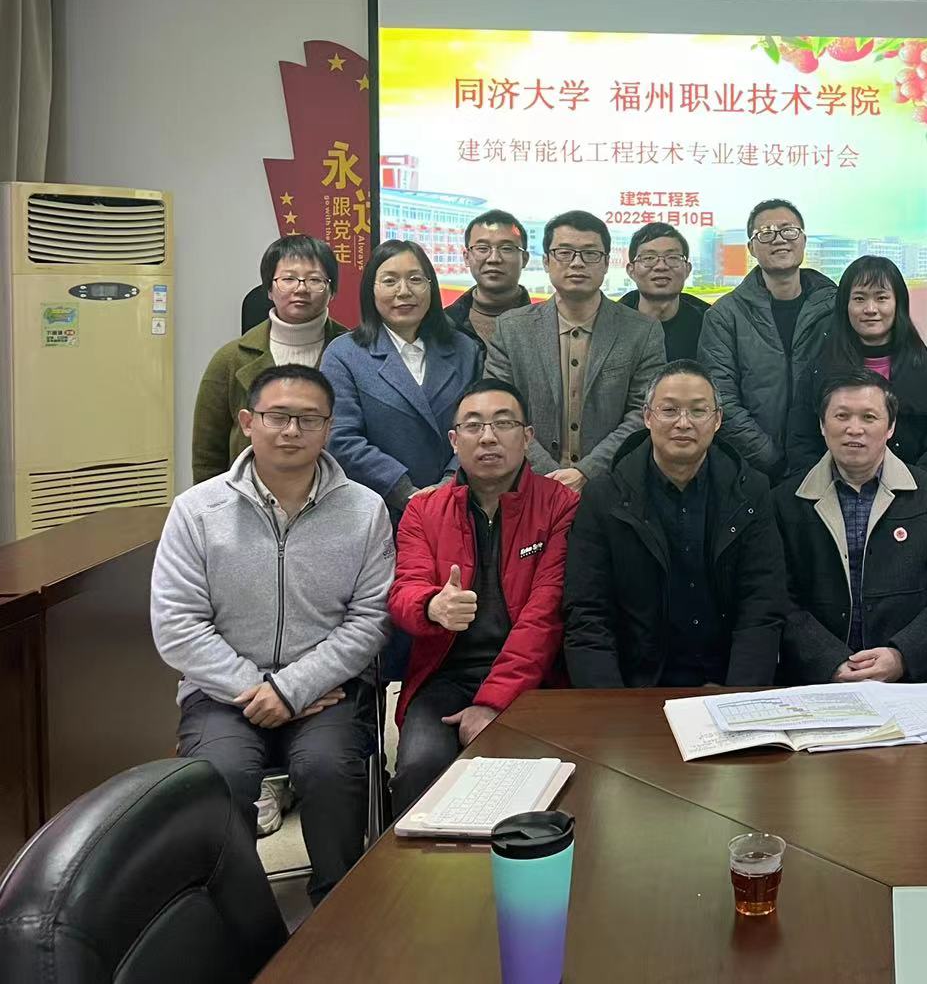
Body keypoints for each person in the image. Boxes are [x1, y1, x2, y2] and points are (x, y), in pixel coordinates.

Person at [151, 364, 392, 904]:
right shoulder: (197, 511)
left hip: (326, 691)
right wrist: (259, 688)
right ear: (247, 422)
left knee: (329, 770)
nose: (291, 431)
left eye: (309, 419)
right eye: (277, 416)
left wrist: (292, 688)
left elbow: (370, 619)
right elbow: (177, 624)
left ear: (329, 428)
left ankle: (338, 908)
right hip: (223, 693)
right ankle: (233, 914)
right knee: (219, 774)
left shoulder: (365, 509)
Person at [386, 380, 577, 815]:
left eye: (503, 423)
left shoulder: (560, 505)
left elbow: (545, 615)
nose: (488, 437)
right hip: (445, 677)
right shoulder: (424, 510)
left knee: (546, 785)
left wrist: (492, 702)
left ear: (527, 437)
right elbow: (403, 591)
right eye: (473, 426)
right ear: (455, 441)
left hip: (536, 682)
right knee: (418, 770)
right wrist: (431, 606)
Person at [561, 360, 787, 688]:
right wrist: (610, 705)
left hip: (725, 681)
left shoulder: (750, 491)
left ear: (717, 420)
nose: (683, 423)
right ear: (647, 417)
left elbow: (762, 605)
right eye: (669, 410)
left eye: (698, 411)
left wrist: (737, 695)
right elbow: (587, 614)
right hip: (635, 686)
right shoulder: (604, 496)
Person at [774, 371, 927, 685]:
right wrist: (829, 661)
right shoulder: (785, 502)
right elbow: (777, 600)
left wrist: (901, 656)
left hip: (912, 683)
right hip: (817, 682)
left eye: (869, 417)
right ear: (822, 425)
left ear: (890, 427)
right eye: (841, 416)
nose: (854, 429)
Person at [485, 210, 666, 491]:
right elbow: (498, 410)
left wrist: (586, 472)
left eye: (590, 254)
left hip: (613, 487)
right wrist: (549, 476)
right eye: (564, 253)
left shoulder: (642, 332)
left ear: (606, 263)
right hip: (526, 486)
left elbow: (643, 413)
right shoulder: (511, 329)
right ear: (546, 261)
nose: (577, 262)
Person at [320, 240, 482, 515]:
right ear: (371, 290)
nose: (404, 291)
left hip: (456, 506)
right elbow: (341, 438)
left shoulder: (465, 350)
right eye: (390, 281)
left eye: (415, 279)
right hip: (376, 510)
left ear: (431, 286)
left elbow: (478, 427)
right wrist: (405, 491)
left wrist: (448, 485)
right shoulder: (344, 353)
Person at [698, 199, 837, 476]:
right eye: (766, 233)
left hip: (830, 464)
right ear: (751, 247)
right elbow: (721, 400)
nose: (779, 239)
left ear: (804, 240)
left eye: (789, 230)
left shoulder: (836, 308)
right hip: (753, 472)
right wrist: (772, 459)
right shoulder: (725, 315)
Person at [785, 255, 927, 476]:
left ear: (898, 304)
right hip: (832, 489)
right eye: (859, 298)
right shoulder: (819, 370)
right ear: (845, 306)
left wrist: (918, 489)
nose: (870, 309)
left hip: (915, 489)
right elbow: (802, 440)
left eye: (881, 298)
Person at [192, 235, 347, 483]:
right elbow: (208, 455)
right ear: (269, 289)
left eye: (314, 280)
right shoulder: (230, 359)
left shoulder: (353, 353)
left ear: (332, 291)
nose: (301, 288)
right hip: (247, 496)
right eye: (288, 279)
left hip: (335, 494)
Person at [618, 221, 710, 362]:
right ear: (631, 270)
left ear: (687, 269)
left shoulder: (709, 323)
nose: (661, 266)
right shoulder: (610, 323)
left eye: (672, 258)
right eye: (649, 258)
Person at [445, 209, 534, 348]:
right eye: (482, 248)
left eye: (506, 248)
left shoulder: (547, 325)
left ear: (525, 259)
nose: (494, 259)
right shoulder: (443, 325)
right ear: (467, 257)